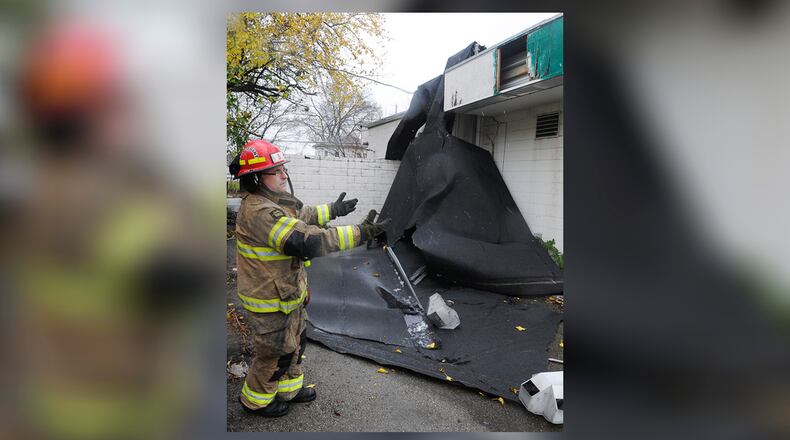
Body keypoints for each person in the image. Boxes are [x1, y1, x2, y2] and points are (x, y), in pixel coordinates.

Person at [229, 139, 389, 417]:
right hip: (268, 300)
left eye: (283, 168)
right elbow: (305, 240)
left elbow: (303, 214)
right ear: (256, 178)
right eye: (276, 170)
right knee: (274, 353)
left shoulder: (272, 202)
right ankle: (256, 400)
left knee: (295, 343)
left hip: (287, 294)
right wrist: (361, 233)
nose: (284, 174)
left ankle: (289, 389)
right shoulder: (259, 212)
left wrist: (334, 210)